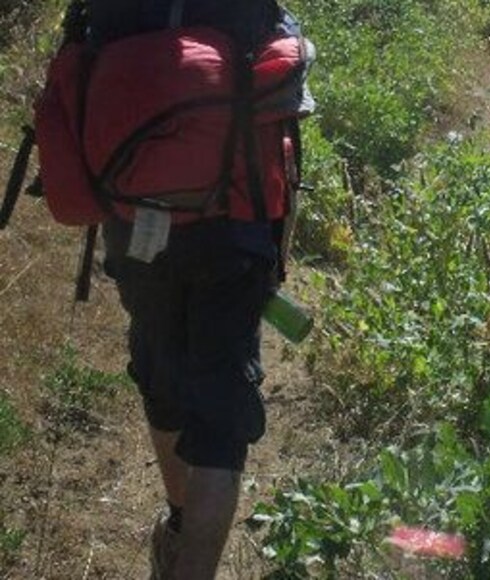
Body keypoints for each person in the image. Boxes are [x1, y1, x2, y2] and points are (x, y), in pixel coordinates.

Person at [80, 0, 300, 577]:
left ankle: (178, 521)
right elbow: (285, 124)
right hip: (234, 225)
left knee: (159, 372)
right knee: (221, 417)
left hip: (136, 224)